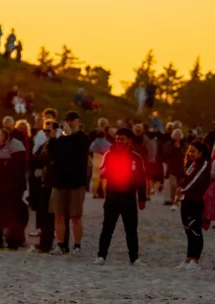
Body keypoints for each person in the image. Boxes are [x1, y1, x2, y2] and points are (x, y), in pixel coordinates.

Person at [95, 128, 148, 266]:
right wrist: (107, 170)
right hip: (112, 196)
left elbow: (142, 179)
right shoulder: (109, 154)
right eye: (117, 138)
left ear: (128, 140)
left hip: (129, 197)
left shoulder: (136, 158)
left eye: (122, 139)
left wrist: (142, 198)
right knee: (107, 227)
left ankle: (134, 258)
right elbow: (101, 171)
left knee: (131, 229)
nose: (119, 141)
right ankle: (101, 255)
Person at [47, 111, 91, 255]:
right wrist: (53, 138)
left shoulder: (82, 138)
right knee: (58, 215)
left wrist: (71, 133)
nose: (70, 123)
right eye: (67, 121)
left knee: (75, 216)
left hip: (76, 183)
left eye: (72, 120)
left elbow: (81, 150)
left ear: (78, 122)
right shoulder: (61, 140)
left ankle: (77, 246)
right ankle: (60, 244)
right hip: (59, 182)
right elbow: (52, 154)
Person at [0, 127, 28, 249]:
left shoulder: (16, 144)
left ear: (2, 136)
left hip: (14, 188)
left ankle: (15, 241)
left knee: (13, 215)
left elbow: (20, 164)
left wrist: (2, 164)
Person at [178, 140, 212, 269]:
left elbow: (196, 180)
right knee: (188, 229)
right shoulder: (193, 164)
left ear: (200, 152)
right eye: (189, 150)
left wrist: (182, 189)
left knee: (195, 230)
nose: (190, 153)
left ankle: (195, 260)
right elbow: (185, 178)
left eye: (193, 151)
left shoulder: (204, 164)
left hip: (196, 201)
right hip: (186, 200)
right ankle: (188, 258)